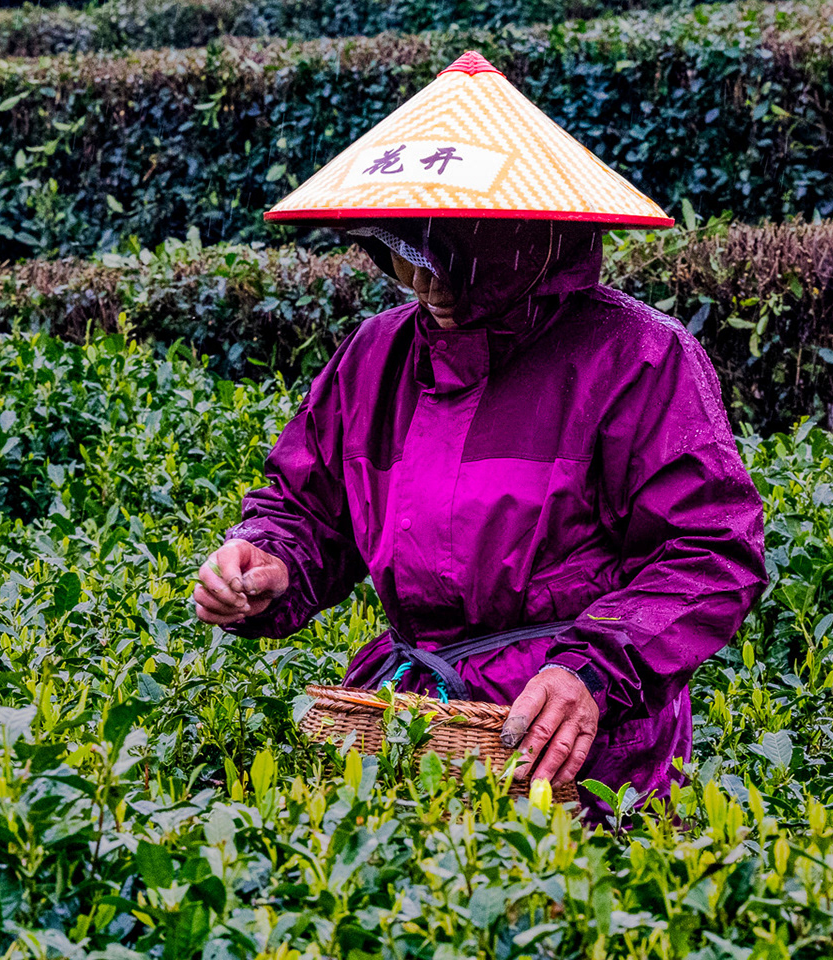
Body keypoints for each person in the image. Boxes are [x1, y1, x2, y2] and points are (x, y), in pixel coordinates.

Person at [192, 52, 766, 801]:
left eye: (449, 262)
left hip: (578, 737)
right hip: (410, 717)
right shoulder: (376, 355)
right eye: (403, 260)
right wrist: (268, 564)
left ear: (521, 245)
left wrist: (593, 669)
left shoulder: (640, 357)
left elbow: (710, 550)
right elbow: (307, 507)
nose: (425, 288)